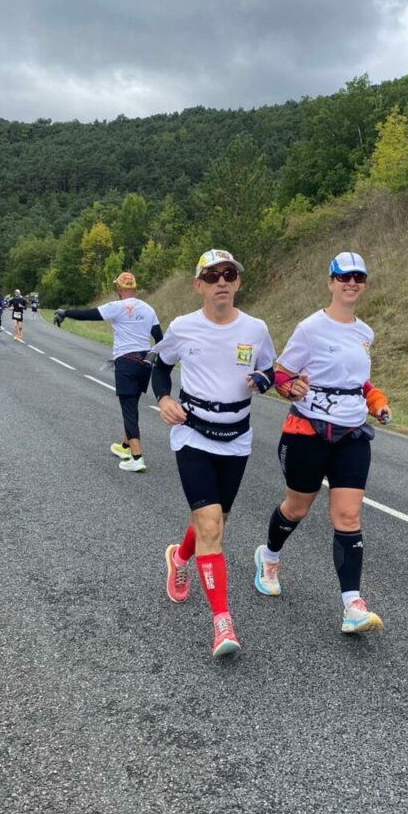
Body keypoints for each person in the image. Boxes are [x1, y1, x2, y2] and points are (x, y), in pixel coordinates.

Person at [253, 251, 391, 635]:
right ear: (330, 282)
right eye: (343, 277)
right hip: (308, 432)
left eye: (358, 278)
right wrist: (290, 387)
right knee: (297, 509)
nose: (351, 283)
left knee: (347, 517)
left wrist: (376, 400)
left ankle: (352, 605)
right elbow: (281, 375)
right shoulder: (310, 328)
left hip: (352, 435)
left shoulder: (365, 333)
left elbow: (357, 381)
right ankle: (269, 556)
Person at [151, 249, 276, 658]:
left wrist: (264, 379)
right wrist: (164, 397)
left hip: (237, 437)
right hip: (193, 434)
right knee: (210, 526)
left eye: (228, 274)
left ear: (238, 282)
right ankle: (222, 621)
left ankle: (179, 555)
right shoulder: (184, 327)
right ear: (199, 285)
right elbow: (159, 365)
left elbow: (272, 371)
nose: (221, 281)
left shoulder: (256, 329)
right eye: (212, 275)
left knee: (216, 521)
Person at [54, 271, 163, 472]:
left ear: (119, 289)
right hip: (144, 362)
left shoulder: (116, 307)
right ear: (135, 288)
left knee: (128, 409)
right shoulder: (149, 309)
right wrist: (154, 360)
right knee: (132, 405)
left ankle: (137, 457)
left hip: (126, 361)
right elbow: (159, 338)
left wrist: (66, 312)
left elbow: (89, 314)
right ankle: (124, 446)